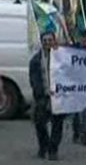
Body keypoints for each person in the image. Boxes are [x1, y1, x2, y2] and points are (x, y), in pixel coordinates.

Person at [29, 30, 65, 160]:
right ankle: (43, 146)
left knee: (57, 125)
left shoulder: (62, 59)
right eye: (45, 41)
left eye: (50, 40)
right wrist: (41, 92)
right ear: (42, 42)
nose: (48, 43)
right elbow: (33, 79)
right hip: (42, 97)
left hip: (58, 97)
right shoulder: (35, 60)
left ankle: (53, 149)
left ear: (54, 41)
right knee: (40, 124)